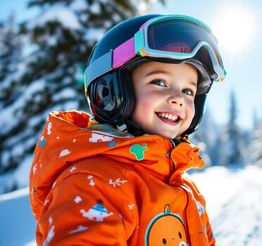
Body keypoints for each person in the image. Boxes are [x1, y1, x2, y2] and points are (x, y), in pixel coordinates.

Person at [29, 14, 226, 246]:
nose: (178, 99)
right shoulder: (93, 180)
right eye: (160, 82)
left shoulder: (186, 187)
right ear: (110, 92)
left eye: (188, 91)